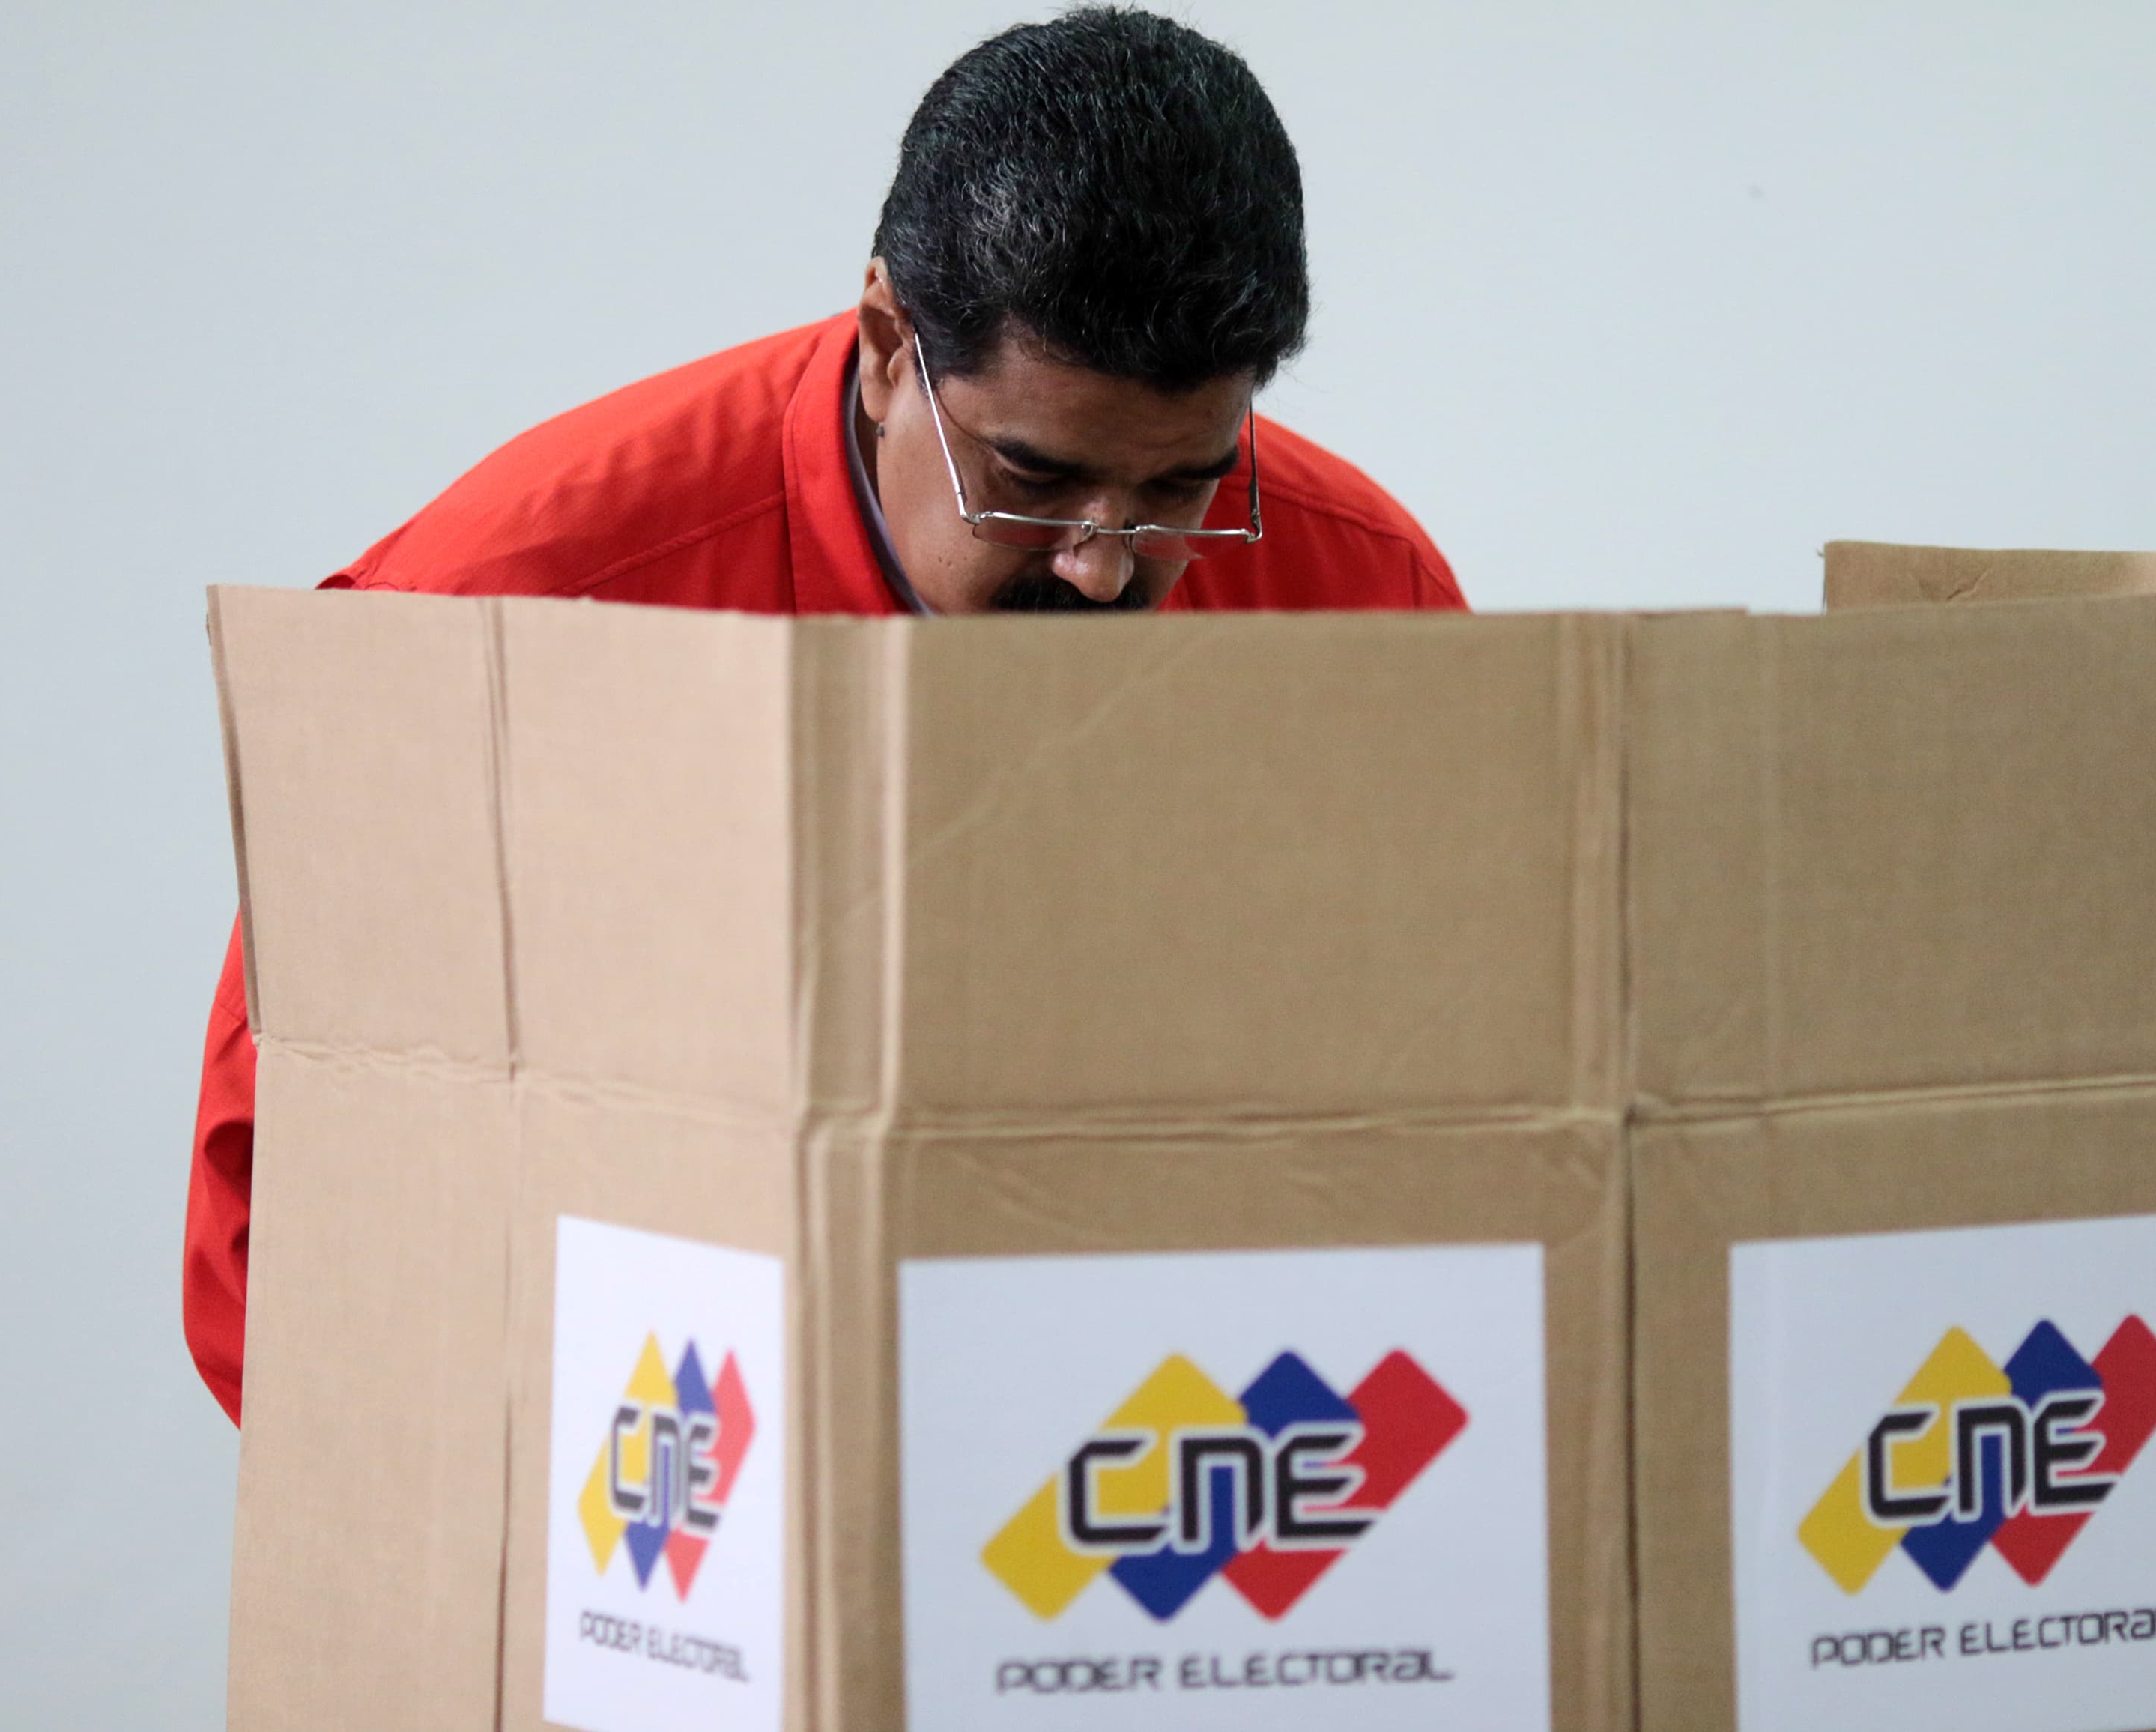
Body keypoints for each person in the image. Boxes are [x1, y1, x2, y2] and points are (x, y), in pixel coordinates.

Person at [183, 6, 1465, 1423]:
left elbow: (1474, 1142)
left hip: (1167, 1469)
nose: (1105, 565)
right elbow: (282, 1251)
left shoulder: (1365, 604)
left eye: (1182, 489)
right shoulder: (501, 626)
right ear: (882, 344)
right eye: (1032, 480)